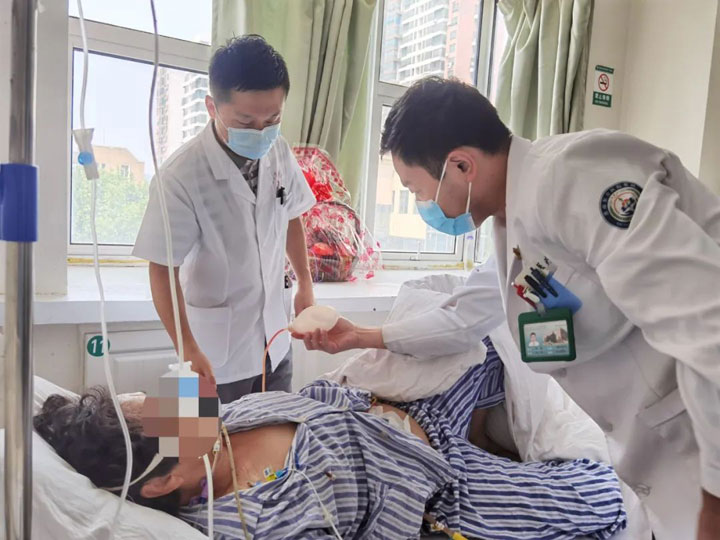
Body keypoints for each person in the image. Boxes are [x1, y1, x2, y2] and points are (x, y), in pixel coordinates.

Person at [294, 76, 720, 539]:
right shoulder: (509, 226)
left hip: (699, 447)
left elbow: (707, 327)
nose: (421, 204)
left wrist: (715, 496)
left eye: (417, 189)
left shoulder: (575, 179)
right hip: (650, 454)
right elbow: (461, 319)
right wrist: (359, 336)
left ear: (461, 165)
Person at [34, 342, 628, 540]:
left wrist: (371, 388)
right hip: (445, 489)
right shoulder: (254, 520)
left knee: (492, 339)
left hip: (407, 411)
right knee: (608, 495)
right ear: (161, 481)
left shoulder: (218, 427)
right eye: (166, 416)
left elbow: (311, 401)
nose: (179, 403)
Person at [133, 35, 316, 404]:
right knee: (187, 439)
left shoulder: (279, 151)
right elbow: (161, 268)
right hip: (206, 351)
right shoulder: (180, 175)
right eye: (245, 120)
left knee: (275, 436)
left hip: (274, 342)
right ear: (212, 107)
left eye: (273, 119)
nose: (261, 131)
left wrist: (305, 283)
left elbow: (291, 215)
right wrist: (186, 348)